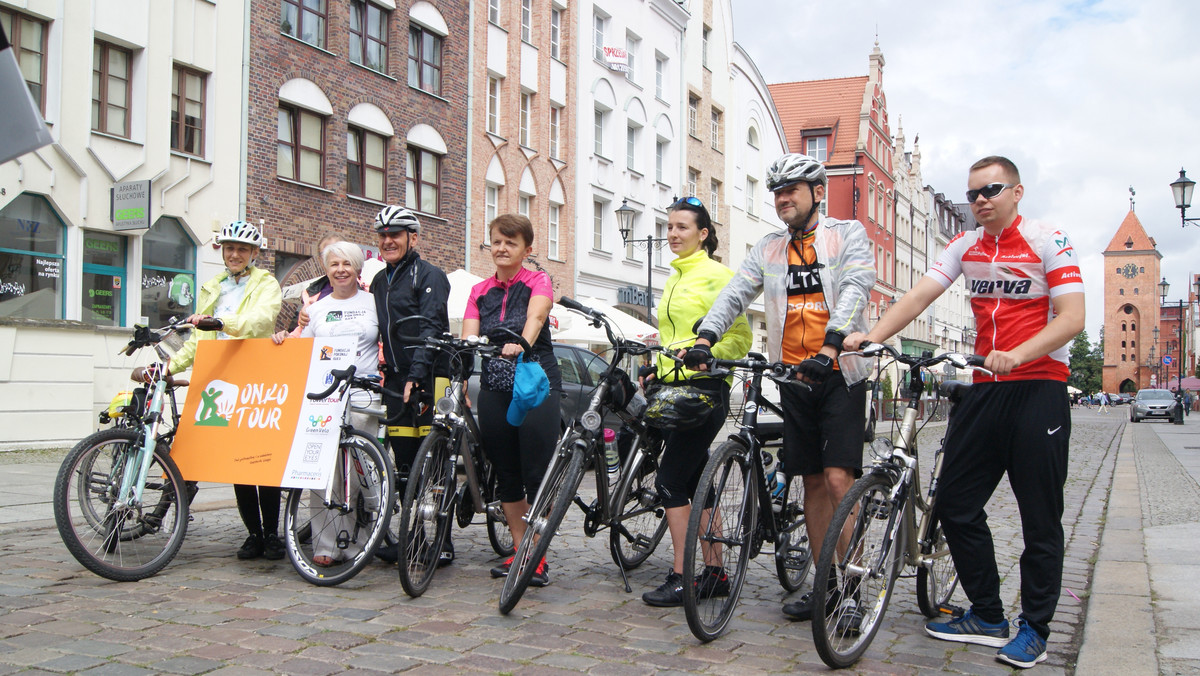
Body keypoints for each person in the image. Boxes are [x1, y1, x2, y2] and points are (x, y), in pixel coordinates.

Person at [844, 156, 1085, 669]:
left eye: (992, 189)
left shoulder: (1048, 240)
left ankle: (1035, 628)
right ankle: (988, 613)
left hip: (1038, 388)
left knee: (1040, 518)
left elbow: (1073, 318)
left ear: (1017, 192)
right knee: (955, 503)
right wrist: (873, 337)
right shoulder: (965, 245)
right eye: (973, 192)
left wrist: (1019, 354)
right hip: (984, 389)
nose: (980, 199)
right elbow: (920, 295)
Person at [684, 153, 875, 622]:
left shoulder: (845, 234)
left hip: (840, 371)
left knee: (837, 479)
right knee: (810, 480)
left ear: (816, 193)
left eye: (791, 190)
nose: (782, 199)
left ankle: (852, 590)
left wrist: (831, 346)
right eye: (776, 192)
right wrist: (705, 337)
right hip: (793, 375)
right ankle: (826, 584)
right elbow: (736, 292)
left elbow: (856, 286)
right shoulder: (769, 247)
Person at [639, 197, 752, 607]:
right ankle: (716, 571)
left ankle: (683, 576)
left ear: (703, 234)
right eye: (669, 227)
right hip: (675, 390)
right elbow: (673, 339)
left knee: (670, 478)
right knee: (694, 479)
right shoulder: (675, 276)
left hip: (705, 393)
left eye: (682, 227)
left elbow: (741, 338)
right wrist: (659, 368)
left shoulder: (719, 276)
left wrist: (706, 355)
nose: (672, 234)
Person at [164, 220, 283, 560]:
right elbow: (199, 342)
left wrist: (222, 322)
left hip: (256, 380)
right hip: (222, 381)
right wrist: (167, 368)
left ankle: (273, 534)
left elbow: (261, 320)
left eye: (242, 249)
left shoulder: (266, 283)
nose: (234, 254)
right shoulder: (212, 286)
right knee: (238, 464)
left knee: (263, 462)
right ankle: (254, 535)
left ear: (254, 253)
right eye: (229, 248)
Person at [463, 214, 562, 587]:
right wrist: (462, 364)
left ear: (527, 249)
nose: (502, 248)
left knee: (535, 472)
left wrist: (521, 340)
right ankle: (521, 552)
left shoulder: (538, 280)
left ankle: (538, 555)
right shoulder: (479, 290)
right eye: (497, 242)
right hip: (495, 383)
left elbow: (537, 316)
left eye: (511, 242)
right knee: (506, 472)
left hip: (535, 382)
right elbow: (470, 335)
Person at [271, 241, 378, 566]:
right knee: (322, 472)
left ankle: (365, 536)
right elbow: (300, 349)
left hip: (362, 395)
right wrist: (282, 339)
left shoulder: (376, 303)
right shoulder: (315, 309)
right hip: (324, 397)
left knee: (363, 472)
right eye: (334, 264)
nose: (341, 269)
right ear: (326, 270)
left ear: (358, 268)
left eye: (347, 263)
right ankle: (326, 543)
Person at [367, 206, 451, 564]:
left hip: (434, 377)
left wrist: (417, 375)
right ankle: (412, 536)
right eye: (383, 235)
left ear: (412, 238)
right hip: (399, 379)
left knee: (435, 460)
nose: (388, 241)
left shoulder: (430, 275)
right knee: (403, 462)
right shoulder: (378, 282)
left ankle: (443, 542)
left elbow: (430, 329)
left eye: (395, 235)